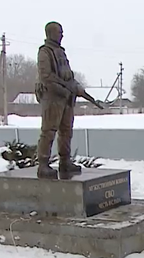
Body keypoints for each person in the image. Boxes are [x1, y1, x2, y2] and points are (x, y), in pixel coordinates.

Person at [35, 21, 86, 178]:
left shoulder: (61, 52)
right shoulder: (45, 52)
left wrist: (76, 87)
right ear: (50, 33)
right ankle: (43, 164)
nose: (62, 35)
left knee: (66, 131)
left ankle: (65, 161)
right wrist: (64, 90)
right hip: (53, 98)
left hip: (66, 99)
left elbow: (68, 74)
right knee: (49, 131)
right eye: (59, 32)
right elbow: (46, 77)